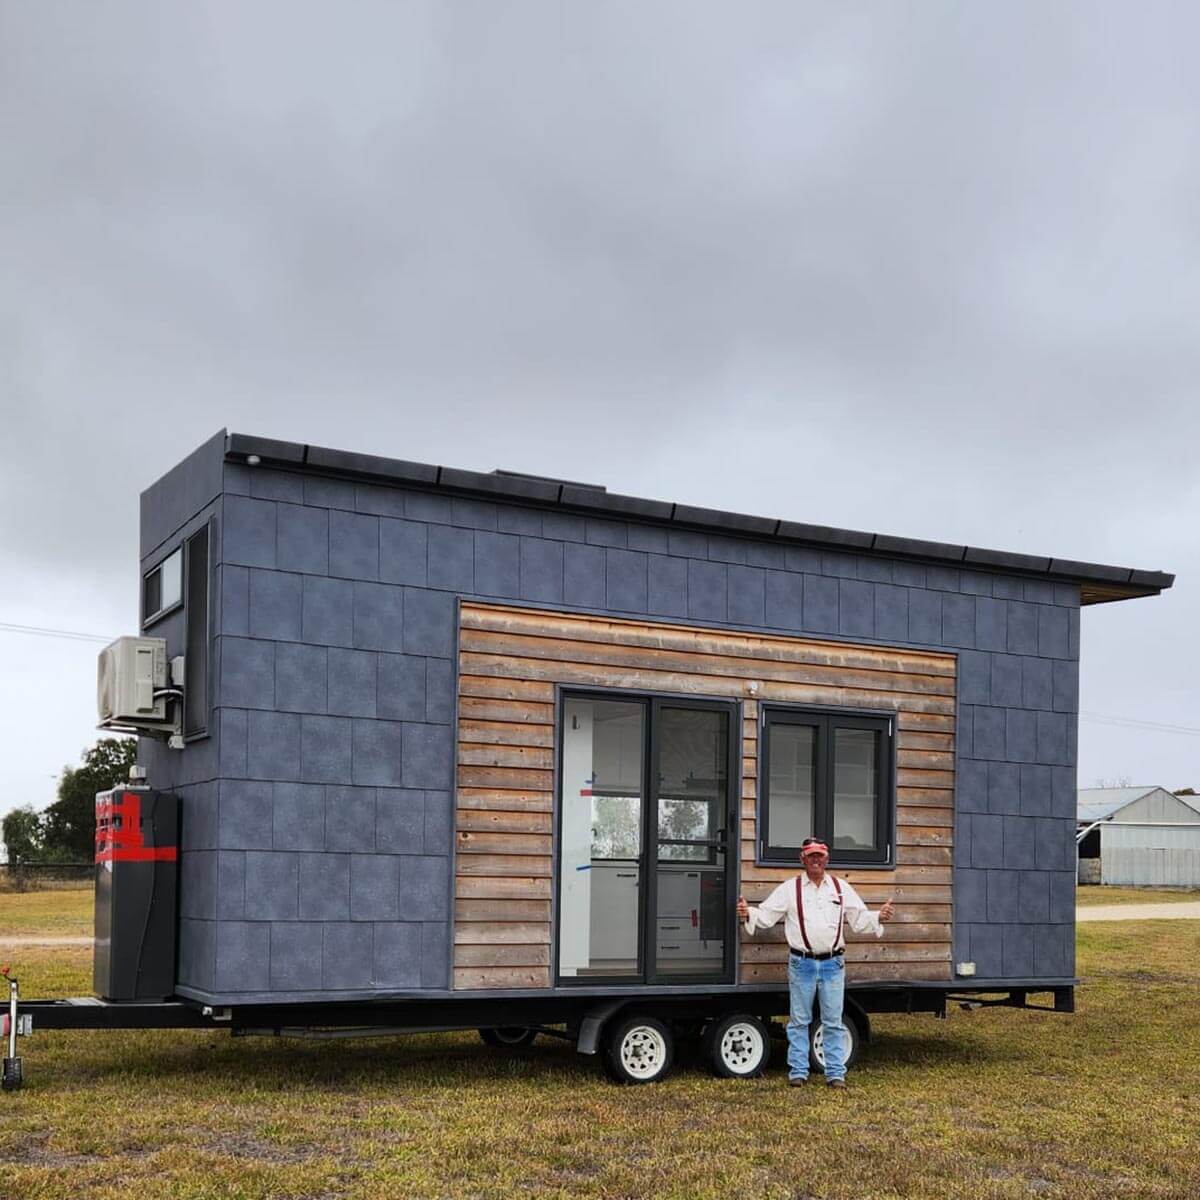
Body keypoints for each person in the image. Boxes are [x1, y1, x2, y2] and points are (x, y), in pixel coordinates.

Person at [736, 837, 895, 1089]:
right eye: (811, 856)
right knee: (799, 1021)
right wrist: (748, 913)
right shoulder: (791, 889)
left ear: (827, 859)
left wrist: (879, 916)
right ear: (803, 859)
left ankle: (835, 1073)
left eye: (819, 855)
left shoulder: (840, 888)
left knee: (833, 1021)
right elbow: (766, 915)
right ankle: (798, 1072)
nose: (816, 860)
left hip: (833, 964)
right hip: (802, 963)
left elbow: (859, 918)